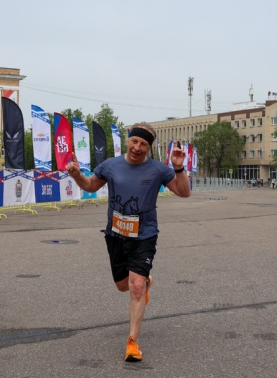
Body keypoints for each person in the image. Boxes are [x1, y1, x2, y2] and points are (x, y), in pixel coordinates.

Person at [66, 122, 191, 362]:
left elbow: (184, 192)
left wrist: (178, 168)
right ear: (128, 140)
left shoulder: (158, 169)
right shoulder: (110, 165)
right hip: (116, 234)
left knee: (136, 287)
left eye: (143, 144)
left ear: (149, 147)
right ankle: (146, 282)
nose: (137, 147)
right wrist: (77, 175)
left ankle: (132, 341)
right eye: (134, 141)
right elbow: (90, 185)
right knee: (123, 286)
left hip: (145, 235)